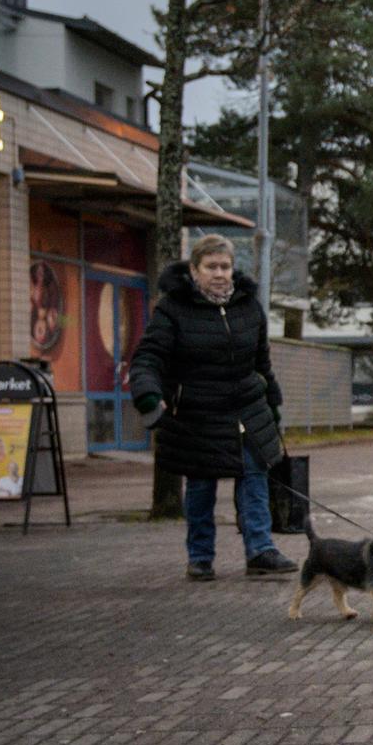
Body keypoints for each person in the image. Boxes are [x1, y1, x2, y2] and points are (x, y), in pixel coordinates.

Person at [128, 234, 297, 580]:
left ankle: (260, 550)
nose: (220, 273)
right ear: (194, 270)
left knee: (254, 478)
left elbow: (262, 363)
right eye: (211, 267)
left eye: (226, 266)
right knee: (202, 487)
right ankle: (201, 557)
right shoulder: (172, 308)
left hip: (248, 411)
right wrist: (147, 394)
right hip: (197, 414)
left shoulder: (249, 306)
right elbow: (148, 357)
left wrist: (273, 404)